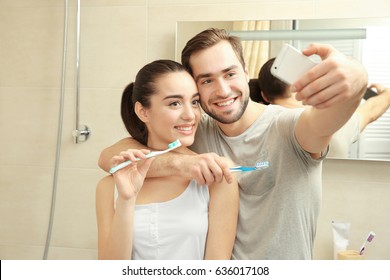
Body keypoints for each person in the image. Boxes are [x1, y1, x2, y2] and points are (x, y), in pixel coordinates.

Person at [98, 28, 367, 259]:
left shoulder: (289, 128)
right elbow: (111, 156)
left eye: (229, 74)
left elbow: (326, 121)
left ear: (246, 71)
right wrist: (183, 164)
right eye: (206, 80)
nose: (223, 90)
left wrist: (357, 80)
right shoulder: (194, 129)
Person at [96, 59, 239, 260]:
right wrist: (126, 201)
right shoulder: (109, 187)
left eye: (195, 102)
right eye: (174, 103)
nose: (190, 115)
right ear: (143, 111)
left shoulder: (217, 176)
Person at [258, 57, 390, 158]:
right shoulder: (333, 121)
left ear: (264, 95)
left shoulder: (254, 128)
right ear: (304, 86)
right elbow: (372, 110)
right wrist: (386, 94)